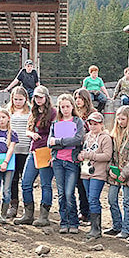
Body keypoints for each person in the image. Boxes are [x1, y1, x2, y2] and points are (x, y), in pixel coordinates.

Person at [14, 86, 57, 227]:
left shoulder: (53, 113)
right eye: (36, 97)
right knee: (26, 183)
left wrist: (53, 152)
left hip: (46, 151)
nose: (39, 100)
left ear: (46, 98)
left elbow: (58, 132)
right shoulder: (33, 112)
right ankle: (28, 214)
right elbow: (28, 129)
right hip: (33, 150)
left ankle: (44, 216)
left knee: (45, 184)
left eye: (41, 97)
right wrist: (31, 134)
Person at [49, 93, 86, 234]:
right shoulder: (56, 123)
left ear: (72, 106)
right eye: (62, 107)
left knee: (70, 193)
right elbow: (49, 143)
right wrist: (63, 142)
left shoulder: (77, 122)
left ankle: (74, 222)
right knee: (61, 194)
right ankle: (64, 221)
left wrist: (59, 142)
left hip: (71, 162)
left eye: (67, 106)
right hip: (58, 161)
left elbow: (78, 140)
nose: (65, 109)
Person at [79, 111, 113, 240]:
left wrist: (89, 155)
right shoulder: (86, 137)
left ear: (101, 124)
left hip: (98, 172)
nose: (93, 126)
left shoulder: (105, 138)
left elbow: (107, 155)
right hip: (86, 171)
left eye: (96, 124)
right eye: (91, 124)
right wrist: (80, 156)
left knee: (93, 198)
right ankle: (94, 226)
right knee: (89, 198)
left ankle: (96, 229)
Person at [105, 106, 129, 238]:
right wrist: (110, 169)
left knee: (128, 201)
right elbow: (110, 154)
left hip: (128, 174)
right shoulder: (113, 135)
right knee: (112, 199)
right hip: (115, 172)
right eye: (118, 118)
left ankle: (127, 228)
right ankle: (116, 225)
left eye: (123, 119)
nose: (120, 121)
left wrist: (125, 173)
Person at [6, 86, 32, 219]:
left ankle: (28, 206)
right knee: (13, 179)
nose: (18, 102)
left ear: (25, 99)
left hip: (26, 149)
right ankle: (13, 205)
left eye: (20, 99)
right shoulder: (8, 111)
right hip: (12, 150)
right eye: (15, 99)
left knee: (26, 179)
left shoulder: (31, 111)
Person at [73, 89, 97, 223]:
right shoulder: (75, 114)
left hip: (88, 154)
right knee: (79, 183)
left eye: (80, 98)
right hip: (76, 152)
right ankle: (83, 211)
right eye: (76, 98)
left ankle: (89, 212)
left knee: (86, 183)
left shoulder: (92, 114)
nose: (78, 100)